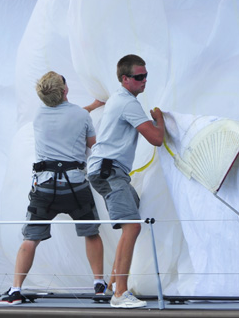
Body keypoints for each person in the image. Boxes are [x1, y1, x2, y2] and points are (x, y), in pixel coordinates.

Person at [0, 72, 106, 305]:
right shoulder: (80, 116)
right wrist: (96, 107)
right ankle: (99, 283)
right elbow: (90, 142)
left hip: (45, 188)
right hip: (75, 186)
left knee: (30, 239)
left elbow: (65, 115)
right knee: (91, 233)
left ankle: (15, 289)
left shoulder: (38, 116)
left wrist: (89, 108)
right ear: (65, 90)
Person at [86, 55, 165, 309]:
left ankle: (112, 283)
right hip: (109, 172)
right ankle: (120, 293)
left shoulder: (119, 99)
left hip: (108, 171)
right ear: (125, 79)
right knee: (132, 227)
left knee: (135, 216)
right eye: (139, 77)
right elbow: (156, 138)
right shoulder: (128, 103)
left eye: (146, 76)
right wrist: (160, 119)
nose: (144, 81)